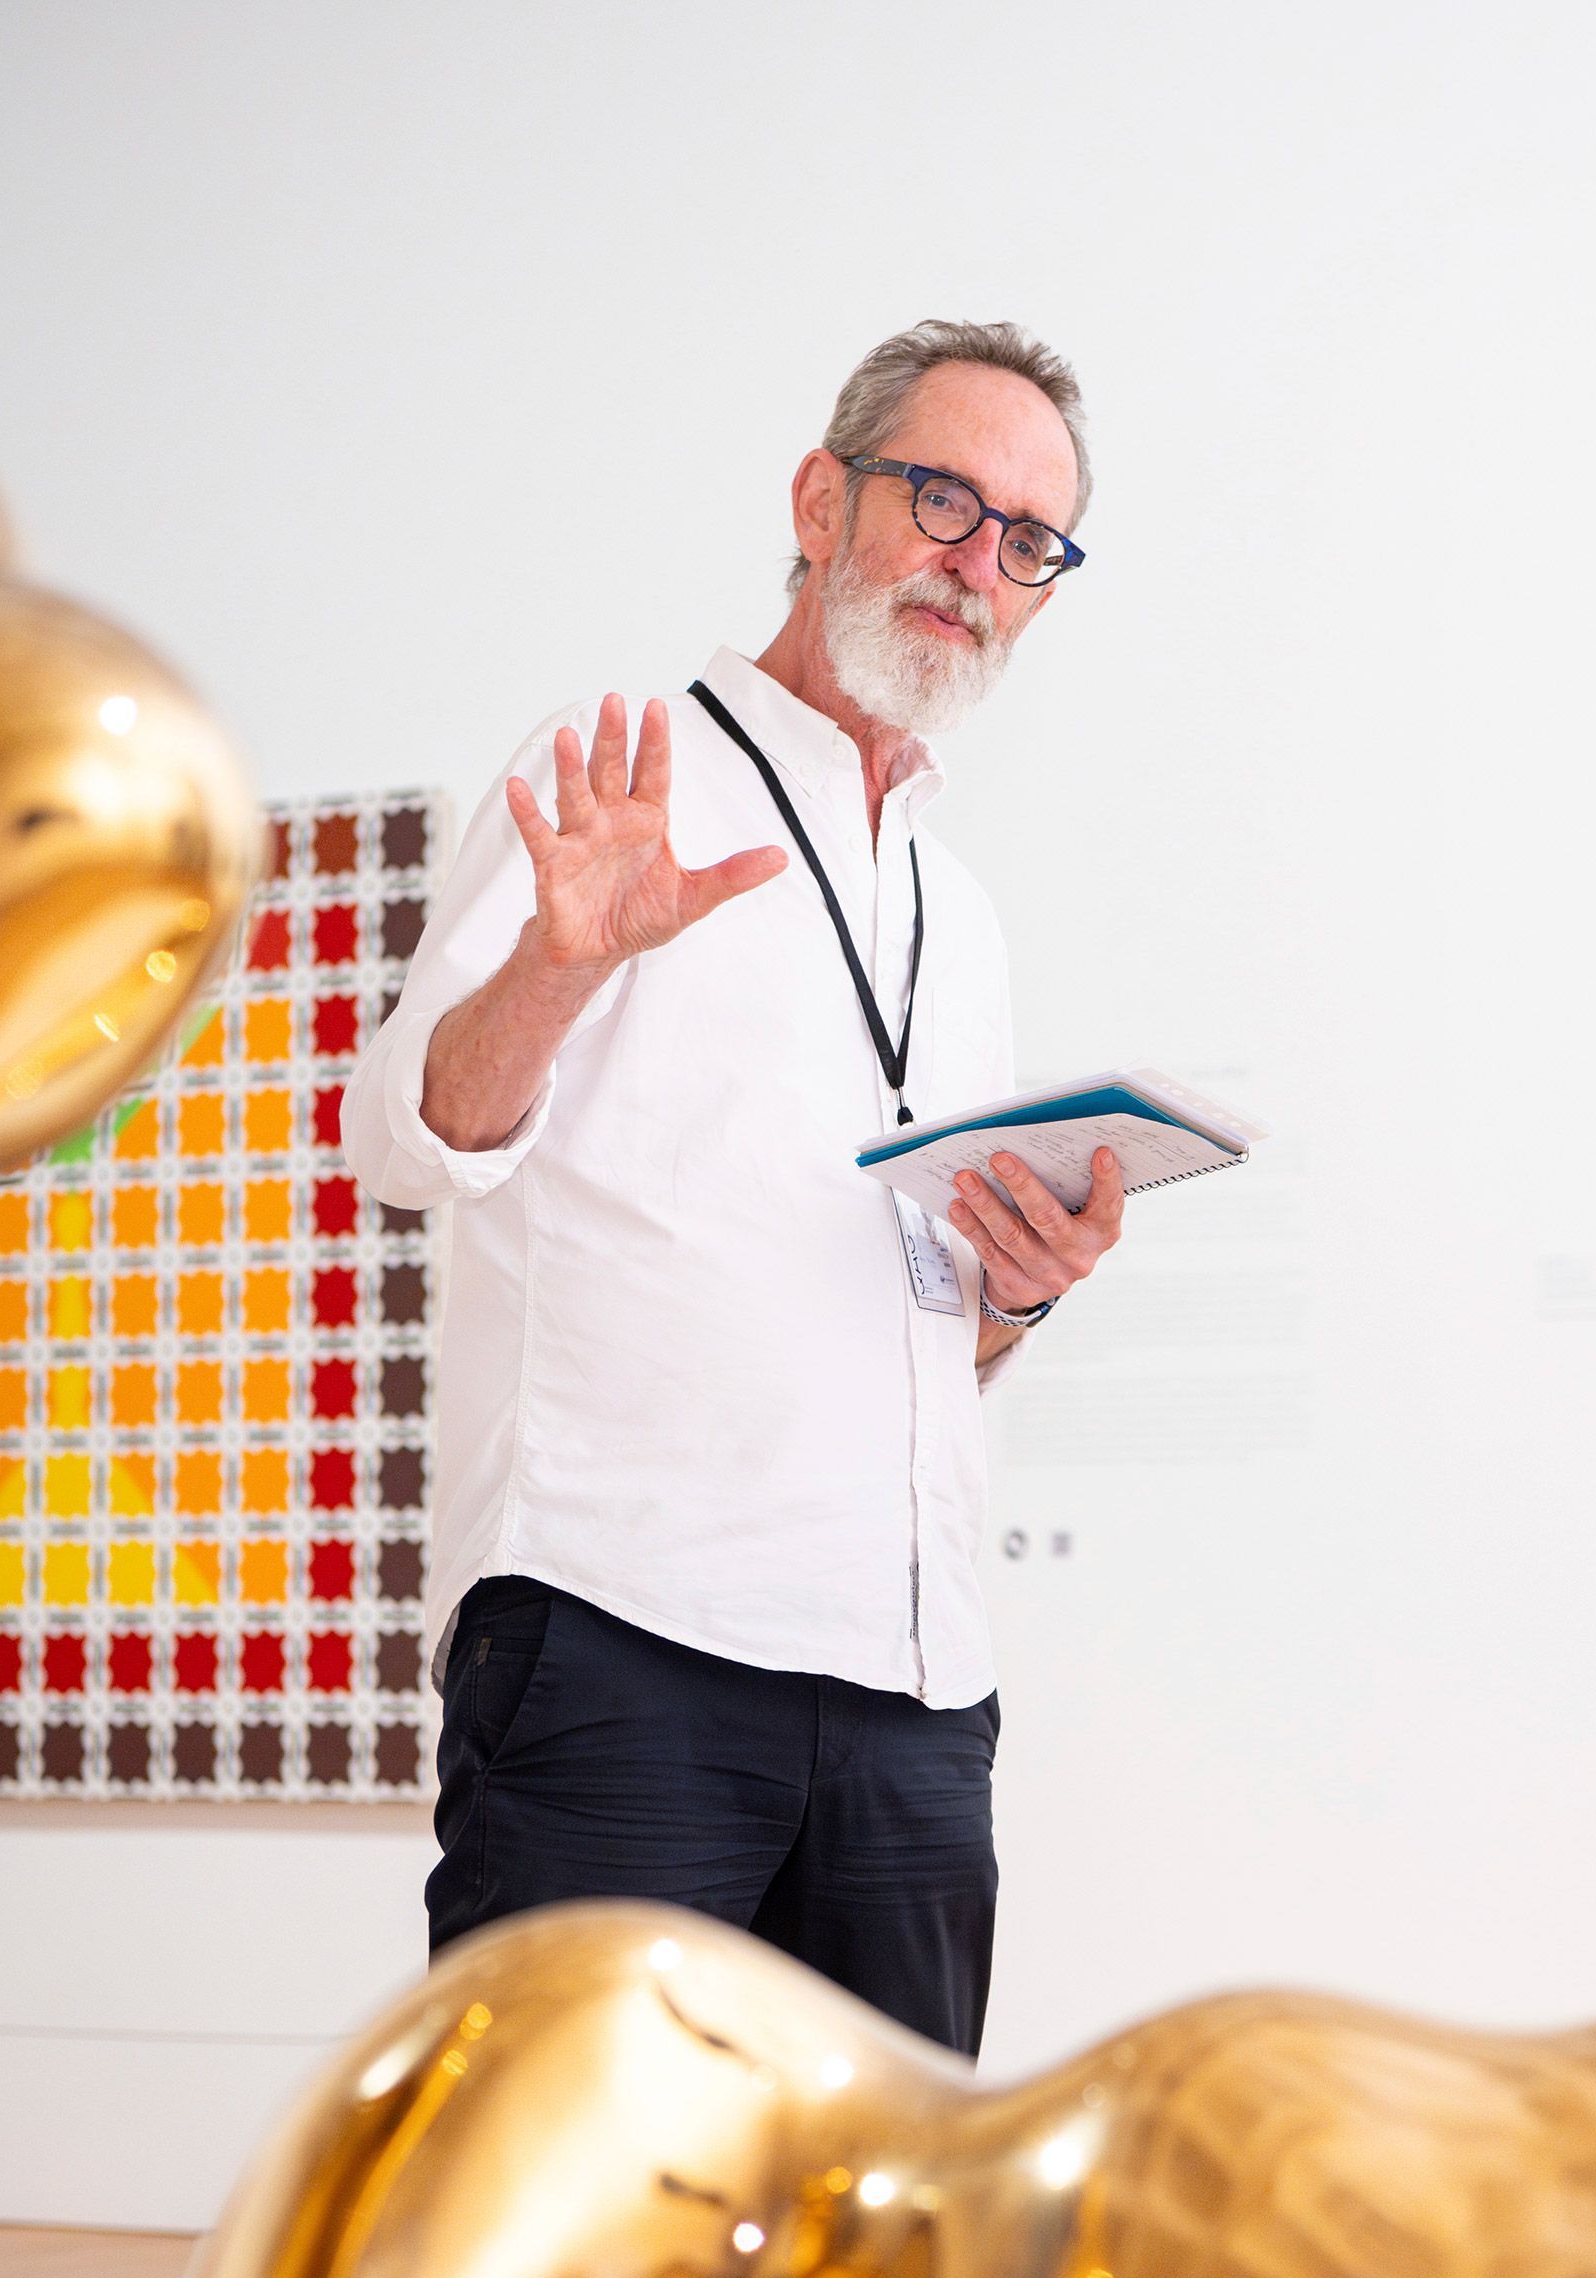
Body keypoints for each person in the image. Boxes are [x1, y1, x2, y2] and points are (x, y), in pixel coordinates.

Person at [347, 320, 1127, 2057]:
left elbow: (926, 1337)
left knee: (883, 2217)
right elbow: (405, 1144)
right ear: (820, 502)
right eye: (944, 500)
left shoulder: (959, 914)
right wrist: (558, 965)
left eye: (1029, 540)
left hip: (918, 1697)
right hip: (628, 1651)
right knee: (572, 2195)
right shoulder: (622, 773)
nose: (977, 563)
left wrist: (1018, 1289)